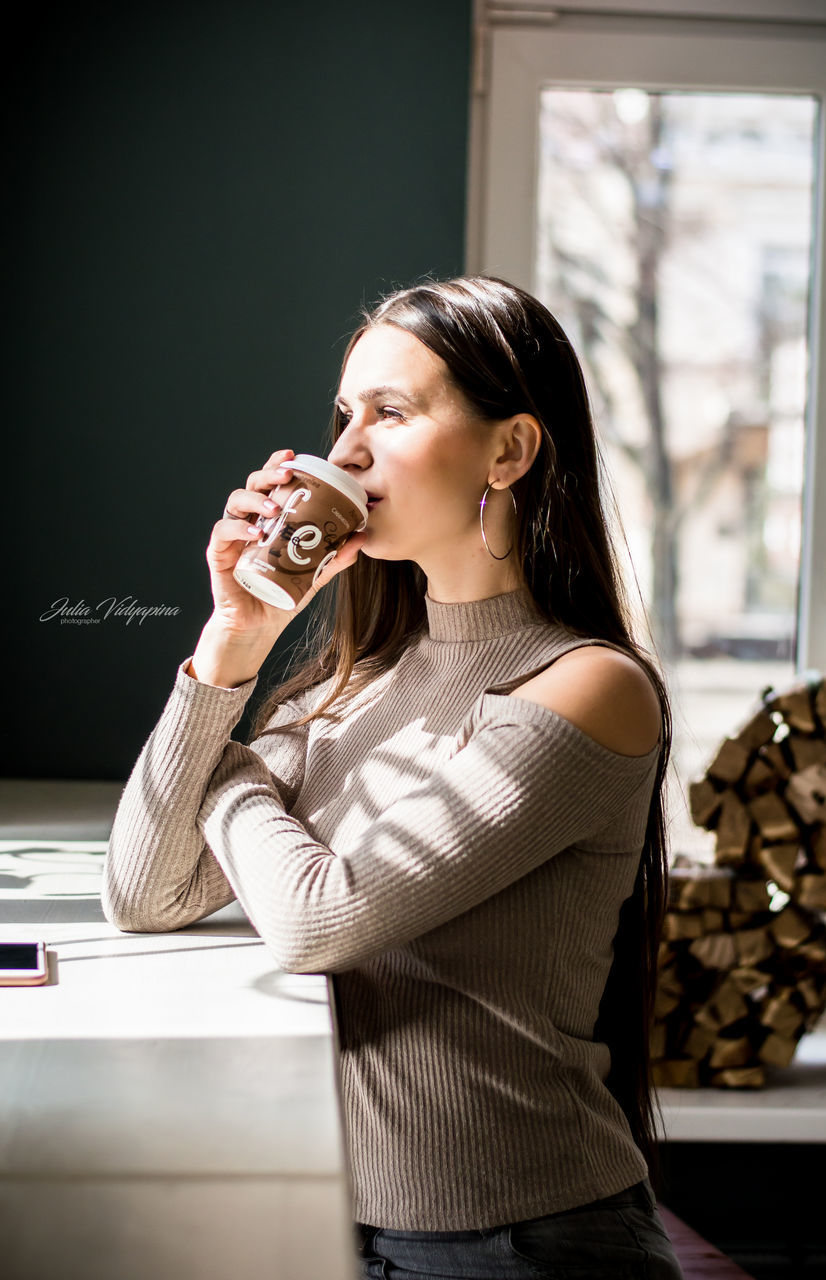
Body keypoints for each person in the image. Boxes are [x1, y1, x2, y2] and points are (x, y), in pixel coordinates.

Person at [103, 275, 684, 1279]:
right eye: (343, 415)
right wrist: (229, 648)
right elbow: (143, 894)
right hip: (340, 1229)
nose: (347, 451)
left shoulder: (586, 687)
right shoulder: (351, 682)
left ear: (508, 451)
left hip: (523, 1246)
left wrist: (232, 767)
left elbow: (320, 919)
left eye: (391, 410)